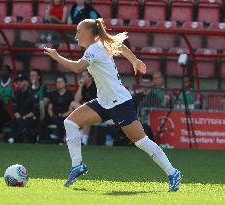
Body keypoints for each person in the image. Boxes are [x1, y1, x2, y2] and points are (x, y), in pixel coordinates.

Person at [44, 18, 182, 191]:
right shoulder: (100, 45)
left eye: (79, 31)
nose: (76, 35)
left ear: (89, 32)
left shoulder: (94, 49)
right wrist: (135, 60)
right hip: (104, 102)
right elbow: (120, 46)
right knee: (70, 122)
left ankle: (172, 172)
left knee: (141, 141)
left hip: (120, 103)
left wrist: (57, 56)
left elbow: (78, 68)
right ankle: (77, 166)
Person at [8, 73, 40, 144]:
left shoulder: (33, 94)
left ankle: (13, 138)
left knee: (26, 121)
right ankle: (13, 138)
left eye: (20, 81)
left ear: (26, 82)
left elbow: (35, 111)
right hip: (20, 116)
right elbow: (14, 108)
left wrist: (24, 117)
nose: (18, 83)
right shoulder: (15, 94)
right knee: (15, 119)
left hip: (30, 117)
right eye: (17, 81)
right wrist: (18, 116)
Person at [71, 70, 97, 145]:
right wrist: (80, 87)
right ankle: (84, 140)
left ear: (90, 77)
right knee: (73, 104)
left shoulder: (95, 87)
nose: (82, 78)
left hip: (97, 111)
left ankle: (81, 136)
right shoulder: (84, 87)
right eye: (81, 76)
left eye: (84, 76)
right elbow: (76, 100)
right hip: (87, 112)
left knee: (86, 114)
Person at [47, 75, 74, 145]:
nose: (59, 83)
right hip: (54, 116)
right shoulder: (53, 94)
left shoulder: (69, 95)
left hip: (65, 116)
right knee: (42, 122)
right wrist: (52, 116)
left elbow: (71, 110)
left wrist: (62, 115)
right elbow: (49, 108)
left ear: (65, 83)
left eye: (61, 82)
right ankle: (43, 140)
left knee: (61, 121)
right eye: (57, 82)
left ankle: (60, 140)